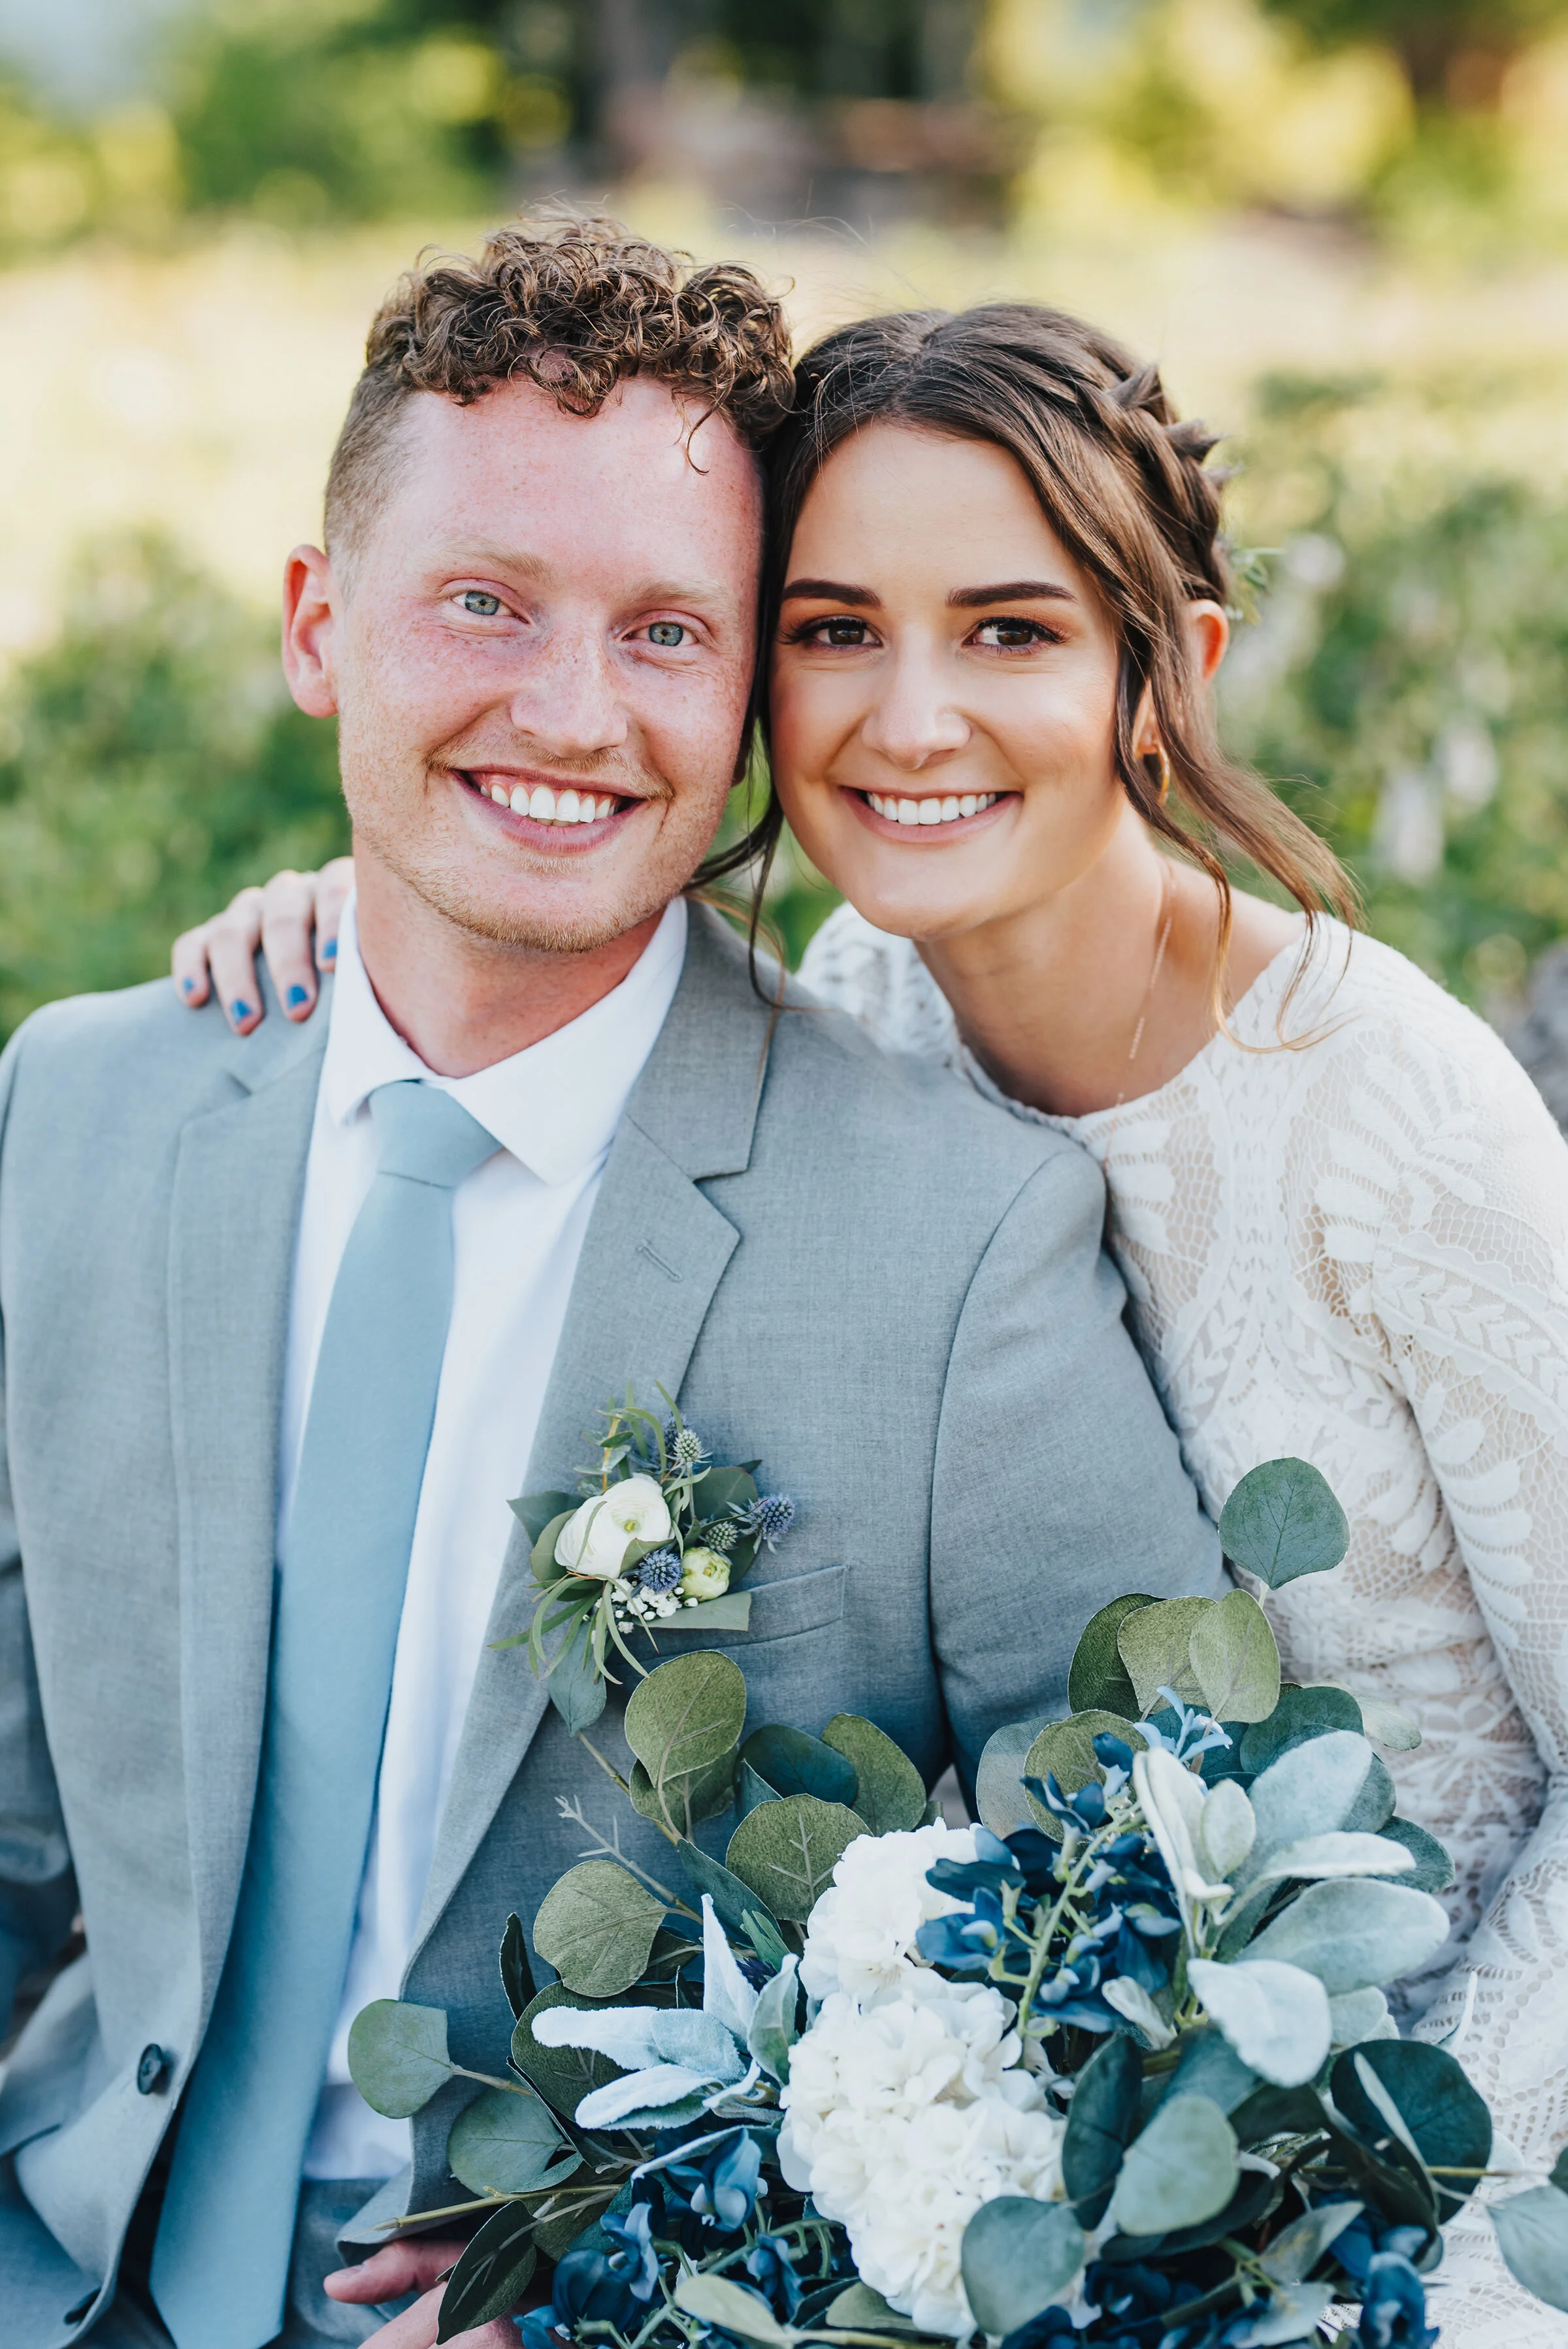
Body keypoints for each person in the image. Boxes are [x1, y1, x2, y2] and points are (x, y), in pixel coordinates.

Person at [207, 297, 1568, 2347]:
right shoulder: (855, 1018)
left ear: (1162, 671)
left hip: (1417, 2129)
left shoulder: (1393, 1113)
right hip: (1028, 2101)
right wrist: (355, 919)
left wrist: (1423, 2226)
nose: (905, 720)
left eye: (1007, 631)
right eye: (835, 629)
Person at [0, 225, 1224, 2349]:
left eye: (670, 632)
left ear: (752, 693)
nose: (571, 714)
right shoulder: (89, 1107)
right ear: (319, 623)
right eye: (483, 601)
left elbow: (1149, 1883)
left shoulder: (956, 1238)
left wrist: (711, 2263)